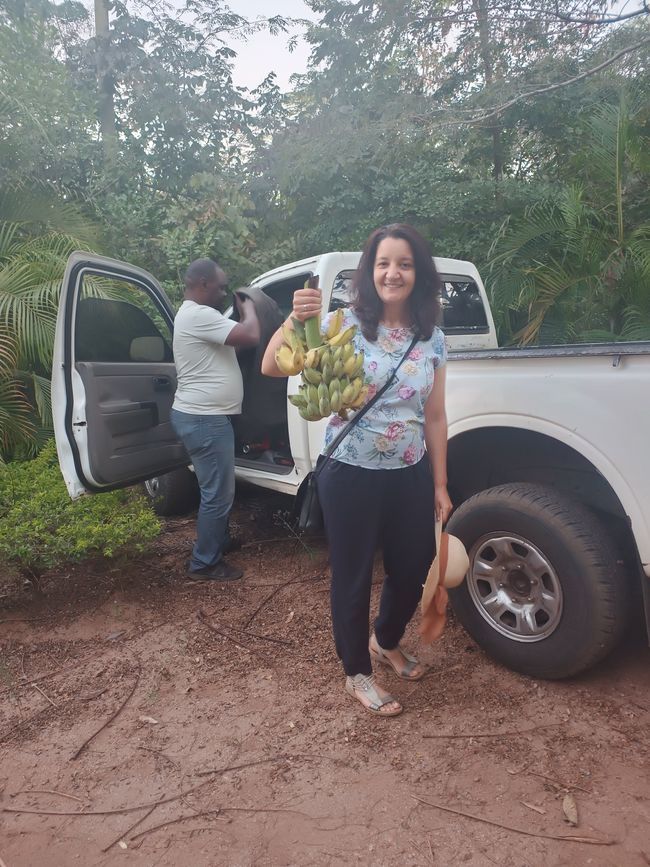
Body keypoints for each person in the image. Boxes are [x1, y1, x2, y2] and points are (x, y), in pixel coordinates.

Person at [261, 224, 452, 717]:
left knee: (412, 566)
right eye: (383, 263)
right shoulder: (338, 325)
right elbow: (272, 367)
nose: (393, 273)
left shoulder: (432, 339)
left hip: (409, 470)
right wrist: (293, 321)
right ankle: (356, 673)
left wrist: (439, 483)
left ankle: (384, 640)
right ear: (370, 273)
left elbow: (434, 414)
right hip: (350, 471)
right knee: (352, 574)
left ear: (418, 273)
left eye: (404, 264)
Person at [171, 258, 260, 581]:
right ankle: (205, 563)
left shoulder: (192, 316)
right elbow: (250, 336)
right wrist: (248, 307)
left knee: (218, 488)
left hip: (202, 416)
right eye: (221, 286)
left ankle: (217, 542)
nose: (224, 293)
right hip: (204, 419)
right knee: (218, 493)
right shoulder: (199, 315)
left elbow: (230, 350)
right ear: (203, 283)